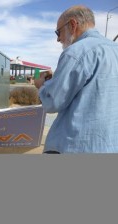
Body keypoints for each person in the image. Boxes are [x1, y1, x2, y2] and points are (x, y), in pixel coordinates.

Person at [34, 5, 118, 153]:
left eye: (58, 32)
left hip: (76, 146)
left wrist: (42, 86)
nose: (58, 39)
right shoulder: (114, 49)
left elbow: (52, 102)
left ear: (72, 25)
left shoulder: (75, 52)